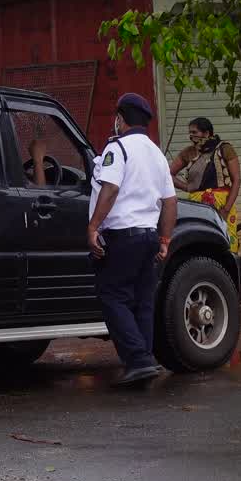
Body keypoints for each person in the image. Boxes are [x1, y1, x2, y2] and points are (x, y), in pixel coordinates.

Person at [88, 93, 178, 386]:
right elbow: (171, 202)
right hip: (150, 236)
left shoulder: (118, 149)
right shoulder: (157, 154)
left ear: (121, 119)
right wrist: (165, 239)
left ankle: (138, 359)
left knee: (112, 296)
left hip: (123, 237)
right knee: (143, 302)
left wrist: (93, 226)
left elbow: (110, 189)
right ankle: (144, 361)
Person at [168, 117, 241, 252]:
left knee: (226, 243)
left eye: (195, 132)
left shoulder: (225, 149)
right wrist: (186, 187)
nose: (191, 136)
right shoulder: (189, 152)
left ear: (206, 133)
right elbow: (168, 174)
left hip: (223, 205)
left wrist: (225, 210)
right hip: (197, 206)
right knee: (201, 242)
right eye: (190, 133)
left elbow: (236, 180)